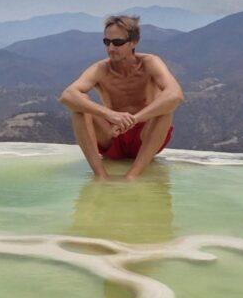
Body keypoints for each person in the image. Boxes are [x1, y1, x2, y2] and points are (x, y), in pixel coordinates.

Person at [59, 15, 184, 180]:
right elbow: (67, 95)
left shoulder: (150, 62)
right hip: (112, 135)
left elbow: (175, 95)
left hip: (145, 138)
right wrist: (110, 114)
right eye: (107, 42)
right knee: (79, 109)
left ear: (133, 42)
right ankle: (101, 175)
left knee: (166, 109)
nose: (111, 48)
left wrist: (134, 119)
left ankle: (132, 176)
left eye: (117, 43)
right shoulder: (101, 69)